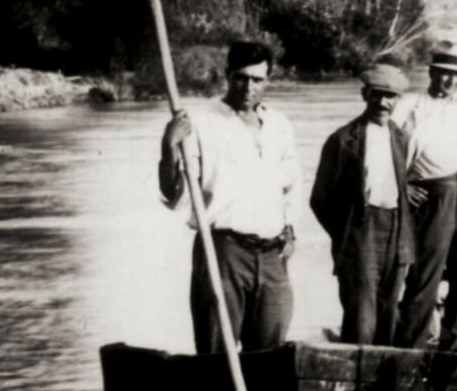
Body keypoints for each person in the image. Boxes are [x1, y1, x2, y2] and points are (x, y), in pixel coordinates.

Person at [157, 40, 300, 355]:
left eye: (258, 80)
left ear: (268, 80)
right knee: (216, 352)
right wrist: (169, 146)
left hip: (272, 254)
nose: (249, 87)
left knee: (271, 351)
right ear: (227, 75)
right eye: (241, 78)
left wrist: (290, 227)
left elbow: (290, 185)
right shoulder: (201, 124)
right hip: (223, 251)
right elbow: (175, 194)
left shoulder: (279, 125)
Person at [310, 61, 413, 346]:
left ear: (398, 100)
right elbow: (319, 200)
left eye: (390, 96)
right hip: (360, 231)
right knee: (361, 317)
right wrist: (347, 234)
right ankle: (356, 385)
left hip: (397, 231)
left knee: (390, 312)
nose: (383, 102)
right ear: (364, 94)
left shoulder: (401, 137)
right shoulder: (343, 140)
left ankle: (383, 386)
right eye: (376, 94)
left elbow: (411, 183)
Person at [392, 49, 457, 349]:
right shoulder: (410, 107)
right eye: (443, 73)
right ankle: (411, 350)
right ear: (431, 73)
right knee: (425, 277)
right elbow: (388, 152)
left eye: (456, 75)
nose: (450, 80)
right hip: (434, 196)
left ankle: (454, 347)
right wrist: (401, 185)